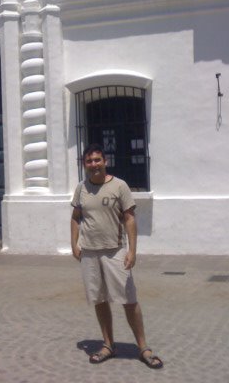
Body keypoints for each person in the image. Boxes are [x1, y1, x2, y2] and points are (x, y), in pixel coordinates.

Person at [71, 143, 163, 369]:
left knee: (129, 300)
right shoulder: (81, 188)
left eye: (97, 160)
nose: (94, 164)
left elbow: (130, 218)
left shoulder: (119, 186)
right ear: (85, 165)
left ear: (105, 161)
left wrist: (132, 250)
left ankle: (143, 348)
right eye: (89, 161)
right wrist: (74, 244)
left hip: (114, 251)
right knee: (99, 300)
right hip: (90, 253)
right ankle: (108, 344)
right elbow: (75, 216)